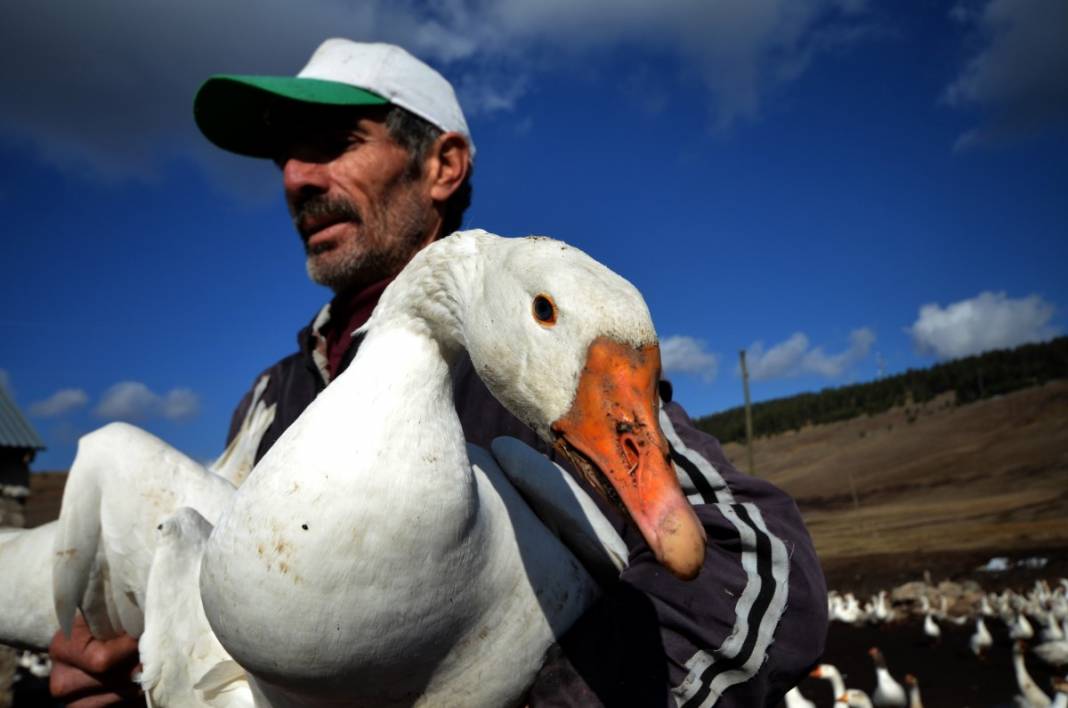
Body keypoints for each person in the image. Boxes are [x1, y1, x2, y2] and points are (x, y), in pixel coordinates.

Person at [49, 39, 828, 707]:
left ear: (443, 165)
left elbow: (760, 568)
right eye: (286, 153)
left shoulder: (524, 368)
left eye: (333, 142)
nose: (296, 177)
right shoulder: (269, 397)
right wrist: (132, 671)